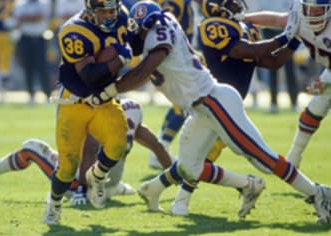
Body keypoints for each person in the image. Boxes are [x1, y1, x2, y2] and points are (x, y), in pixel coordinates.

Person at [88, 0, 331, 224]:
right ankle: (161, 192)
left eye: (138, 31)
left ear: (148, 27)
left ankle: (318, 193)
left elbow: (140, 74)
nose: (135, 36)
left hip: (213, 102)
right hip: (199, 107)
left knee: (262, 158)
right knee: (189, 167)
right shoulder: (165, 23)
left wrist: (108, 91)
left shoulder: (159, 38)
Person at [159, 0, 303, 217]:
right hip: (213, 103)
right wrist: (285, 36)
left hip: (230, 108)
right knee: (204, 157)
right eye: (229, 1)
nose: (236, 4)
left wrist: (294, 40)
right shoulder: (212, 26)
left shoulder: (246, 28)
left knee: (201, 157)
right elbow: (240, 50)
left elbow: (273, 62)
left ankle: (169, 195)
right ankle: (178, 199)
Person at [0, 98, 173, 205]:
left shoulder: (101, 116)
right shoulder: (131, 112)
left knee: (31, 147)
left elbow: (89, 149)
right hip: (108, 182)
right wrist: (174, 177)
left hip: (86, 185)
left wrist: (79, 189)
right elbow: (157, 146)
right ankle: (117, 187)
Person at [44, 0, 133, 226]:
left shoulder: (121, 16)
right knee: (68, 166)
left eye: (112, 10)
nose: (110, 16)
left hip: (103, 99)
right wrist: (120, 59)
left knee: (118, 144)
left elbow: (134, 41)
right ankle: (54, 204)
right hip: (74, 101)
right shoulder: (74, 31)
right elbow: (90, 76)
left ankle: (98, 176)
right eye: (103, 12)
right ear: (90, 11)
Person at [244, 0, 331, 169]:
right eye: (309, 10)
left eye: (318, 10)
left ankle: (292, 161)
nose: (312, 15)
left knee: (317, 104)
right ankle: (293, 161)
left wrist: (325, 82)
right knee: (313, 110)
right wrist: (243, 18)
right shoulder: (299, 15)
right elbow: (278, 20)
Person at [148, 0, 197, 169]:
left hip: (168, 53)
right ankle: (162, 149)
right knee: (183, 106)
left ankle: (161, 148)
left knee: (179, 104)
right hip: (176, 54)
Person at [13, 0, 52, 105]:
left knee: (42, 67)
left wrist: (25, 18)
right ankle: (31, 95)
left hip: (40, 38)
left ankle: (47, 95)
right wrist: (31, 18)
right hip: (25, 38)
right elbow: (17, 20)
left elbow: (40, 17)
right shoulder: (20, 4)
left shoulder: (44, 3)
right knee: (28, 68)